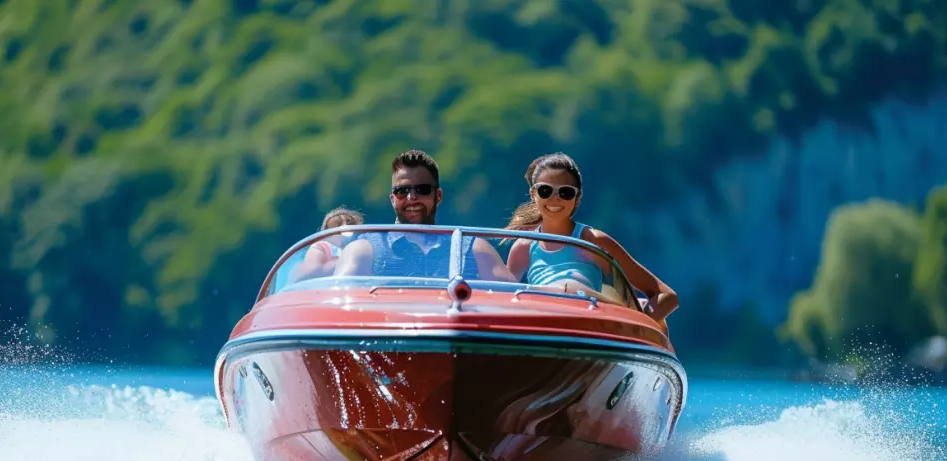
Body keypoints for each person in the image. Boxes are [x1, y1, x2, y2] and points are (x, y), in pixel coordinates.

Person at [505, 152, 679, 323]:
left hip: (588, 322)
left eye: (565, 192)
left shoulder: (593, 241)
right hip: (542, 320)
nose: (555, 198)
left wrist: (638, 325)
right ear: (533, 194)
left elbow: (666, 295)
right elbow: (504, 299)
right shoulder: (523, 247)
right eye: (545, 190)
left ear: (577, 197)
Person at [334, 150, 514, 281]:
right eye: (402, 191)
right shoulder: (364, 250)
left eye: (422, 190)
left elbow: (512, 301)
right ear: (392, 199)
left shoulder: (473, 249)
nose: (412, 198)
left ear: (438, 196)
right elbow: (338, 300)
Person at [285, 206, 364, 284]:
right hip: (326, 290)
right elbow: (312, 271)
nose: (344, 227)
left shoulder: (363, 247)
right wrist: (342, 262)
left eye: (350, 224)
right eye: (336, 226)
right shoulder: (322, 246)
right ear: (326, 232)